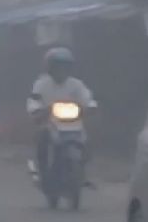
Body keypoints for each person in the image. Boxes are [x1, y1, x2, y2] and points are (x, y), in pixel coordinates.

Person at [26, 46, 96, 179]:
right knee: (41, 139)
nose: (61, 70)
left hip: (74, 123)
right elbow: (34, 100)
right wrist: (37, 110)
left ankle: (82, 173)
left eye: (65, 67)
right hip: (49, 123)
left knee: (87, 142)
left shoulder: (77, 84)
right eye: (58, 67)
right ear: (50, 68)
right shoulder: (41, 84)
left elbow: (87, 98)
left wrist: (91, 107)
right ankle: (43, 172)